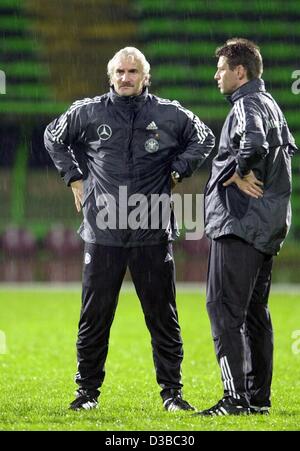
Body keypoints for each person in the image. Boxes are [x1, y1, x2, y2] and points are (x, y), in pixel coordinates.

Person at [44, 47, 215, 411]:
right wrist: (74, 177)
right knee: (94, 316)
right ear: (111, 76)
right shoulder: (87, 112)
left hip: (151, 231)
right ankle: (87, 393)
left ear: (144, 76)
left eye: (133, 71)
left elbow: (205, 137)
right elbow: (52, 136)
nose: (125, 77)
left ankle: (172, 394)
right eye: (120, 71)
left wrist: (178, 170)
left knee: (162, 317)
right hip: (103, 232)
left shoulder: (169, 113)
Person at [195, 38, 298, 416]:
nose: (216, 75)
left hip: (240, 224)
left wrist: (236, 173)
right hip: (267, 226)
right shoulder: (272, 104)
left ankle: (233, 398)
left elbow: (252, 143)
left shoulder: (246, 104)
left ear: (240, 72)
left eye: (221, 69)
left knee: (222, 309)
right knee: (256, 313)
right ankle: (258, 398)